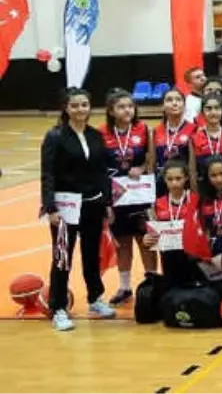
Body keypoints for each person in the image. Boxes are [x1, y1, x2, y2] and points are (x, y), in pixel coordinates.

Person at [40, 88, 118, 330]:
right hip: (65, 208)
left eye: (84, 104)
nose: (80, 109)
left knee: (91, 255)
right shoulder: (55, 136)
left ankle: (95, 298)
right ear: (65, 108)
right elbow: (48, 174)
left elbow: (102, 171)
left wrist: (106, 202)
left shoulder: (95, 135)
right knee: (63, 257)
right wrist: (50, 207)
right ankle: (59, 308)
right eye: (75, 105)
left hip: (93, 205)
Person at [102, 89, 155, 306]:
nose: (127, 110)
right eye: (122, 107)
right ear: (111, 111)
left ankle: (152, 281)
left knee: (146, 241)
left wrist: (141, 167)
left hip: (141, 195)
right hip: (117, 198)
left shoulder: (143, 130)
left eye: (130, 106)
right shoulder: (102, 133)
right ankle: (125, 287)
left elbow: (151, 159)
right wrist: (106, 202)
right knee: (122, 243)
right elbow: (99, 168)